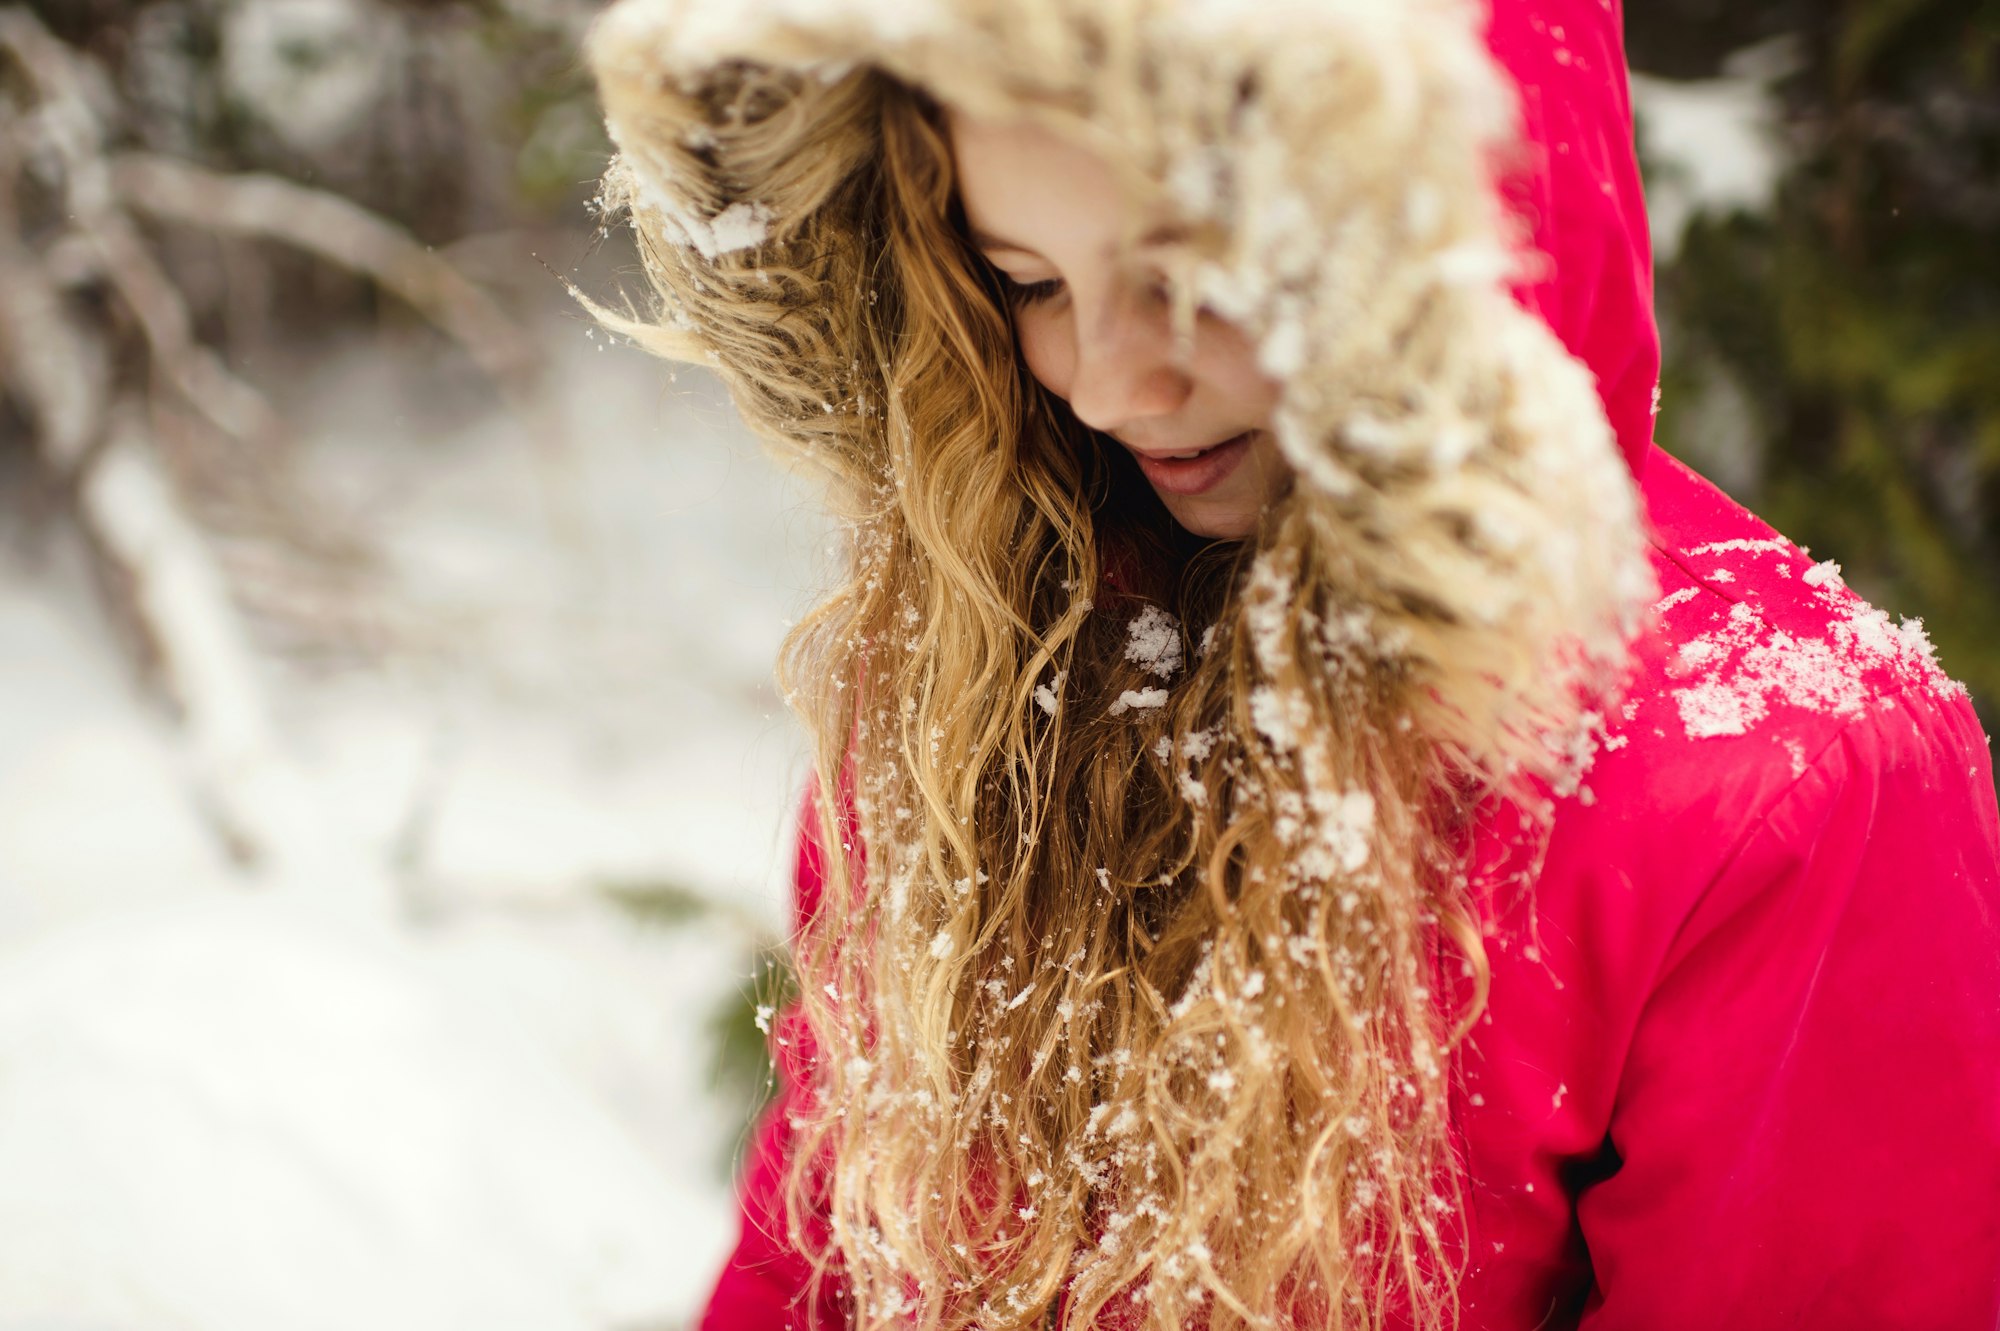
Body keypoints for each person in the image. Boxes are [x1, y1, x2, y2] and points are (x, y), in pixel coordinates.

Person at [585, 0, 2000, 1326]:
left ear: (1425, 232)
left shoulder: (1779, 781)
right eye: (1028, 280)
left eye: (1195, 273)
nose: (1112, 379)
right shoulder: (989, 670)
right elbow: (820, 1259)